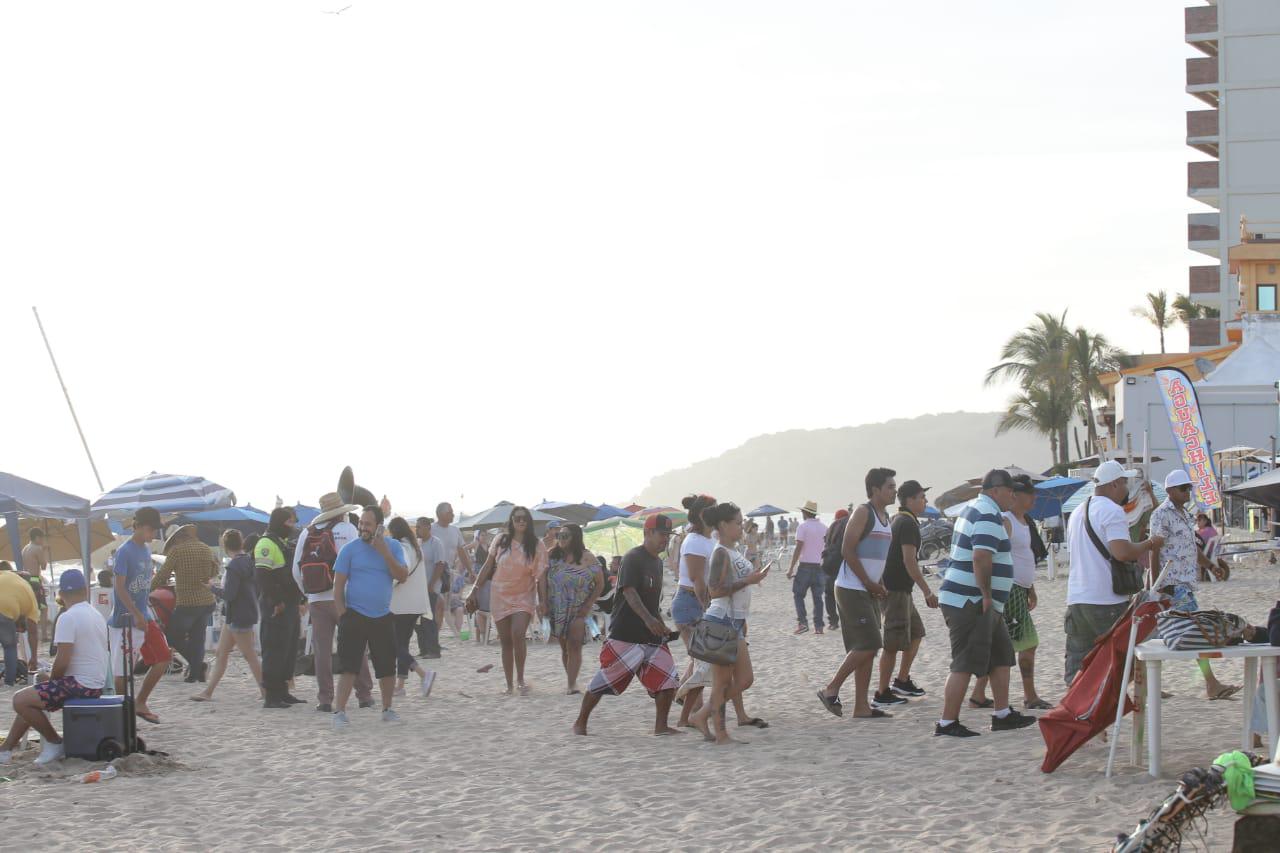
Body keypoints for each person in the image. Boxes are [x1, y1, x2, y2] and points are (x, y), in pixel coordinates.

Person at [933, 469, 1037, 738]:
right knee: (965, 662)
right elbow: (981, 557)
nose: (1013, 497)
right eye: (1010, 491)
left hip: (979, 600)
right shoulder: (988, 513)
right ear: (995, 491)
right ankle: (947, 722)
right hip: (971, 600)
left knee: (1001, 655)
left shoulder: (977, 509)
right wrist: (987, 594)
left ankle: (1002, 714)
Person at [572, 514, 682, 736]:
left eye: (668, 536)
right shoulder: (633, 558)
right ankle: (580, 722)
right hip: (626, 634)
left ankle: (660, 726)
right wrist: (649, 620)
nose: (665, 540)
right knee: (604, 680)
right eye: (662, 535)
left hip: (650, 636)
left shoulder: (657, 563)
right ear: (647, 533)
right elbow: (629, 592)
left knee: (668, 679)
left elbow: (653, 602)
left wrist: (660, 624)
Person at [1064, 460, 1162, 685]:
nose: (1127, 490)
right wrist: (1150, 543)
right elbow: (1122, 552)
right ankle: (1115, 707)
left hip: (1077, 598)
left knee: (1079, 667)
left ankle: (1077, 713)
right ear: (1115, 484)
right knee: (1119, 662)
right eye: (1125, 483)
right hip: (1105, 599)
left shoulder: (1078, 512)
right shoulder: (1111, 510)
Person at [0, 569, 108, 766]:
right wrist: (49, 679)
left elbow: (63, 660)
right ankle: (5, 749)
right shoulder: (95, 614)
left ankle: (54, 742)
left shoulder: (68, 617)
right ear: (85, 590)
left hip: (80, 684)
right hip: (95, 682)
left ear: (61, 594)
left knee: (20, 701)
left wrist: (52, 679)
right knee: (32, 693)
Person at [1150, 468, 1240, 700]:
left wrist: (1210, 566)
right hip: (1172, 584)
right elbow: (1154, 549)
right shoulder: (1161, 514)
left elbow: (1191, 548)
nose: (1188, 492)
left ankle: (1147, 684)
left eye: (1189, 488)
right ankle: (1211, 684)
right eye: (1183, 488)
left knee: (1154, 636)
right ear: (1169, 491)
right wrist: (1156, 584)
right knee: (1195, 631)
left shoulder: (1184, 514)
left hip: (1185, 584)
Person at [817, 469, 897, 720]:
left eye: (895, 486)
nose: (894, 490)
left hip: (870, 589)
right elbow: (847, 550)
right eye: (890, 486)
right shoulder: (864, 512)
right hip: (852, 588)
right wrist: (867, 582)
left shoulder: (885, 516)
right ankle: (831, 689)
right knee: (870, 643)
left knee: (869, 648)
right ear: (875, 489)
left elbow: (876, 556)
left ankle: (861, 706)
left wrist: (879, 583)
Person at [689, 503, 769, 744]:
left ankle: (702, 716)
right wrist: (749, 580)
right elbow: (715, 591)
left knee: (745, 679)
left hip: (734, 621)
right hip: (722, 620)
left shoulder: (732, 551)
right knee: (722, 682)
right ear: (723, 525)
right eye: (737, 522)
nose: (741, 526)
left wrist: (750, 579)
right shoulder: (721, 552)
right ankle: (721, 733)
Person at [969, 475, 1051, 709]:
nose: (1033, 497)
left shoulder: (1025, 521)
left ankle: (978, 693)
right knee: (1026, 643)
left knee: (1000, 643)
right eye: (1029, 493)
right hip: (1010, 588)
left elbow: (1025, 558)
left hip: (1020, 588)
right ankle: (1030, 696)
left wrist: (1031, 589)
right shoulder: (1006, 520)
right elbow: (993, 555)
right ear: (1015, 495)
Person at [294, 494, 375, 712]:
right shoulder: (348, 530)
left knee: (321, 650)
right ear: (341, 511)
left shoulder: (306, 533)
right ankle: (364, 695)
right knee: (354, 646)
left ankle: (325, 699)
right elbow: (359, 562)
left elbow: (296, 570)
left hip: (316, 599)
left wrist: (310, 592)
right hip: (344, 598)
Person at [331, 505, 409, 730]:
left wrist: (384, 552)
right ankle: (340, 712)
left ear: (378, 527)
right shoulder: (349, 550)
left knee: (386, 666)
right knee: (349, 666)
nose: (362, 528)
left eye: (367, 524)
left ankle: (387, 710)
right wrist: (342, 614)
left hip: (382, 615)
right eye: (361, 524)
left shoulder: (393, 547)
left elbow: (402, 576)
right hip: (354, 614)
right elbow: (338, 586)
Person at [467, 507, 547, 695]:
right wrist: (474, 590)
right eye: (517, 518)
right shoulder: (501, 540)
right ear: (511, 520)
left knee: (518, 633)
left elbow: (541, 575)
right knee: (506, 642)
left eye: (524, 518)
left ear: (529, 522)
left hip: (524, 596)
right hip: (500, 595)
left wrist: (542, 600)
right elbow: (488, 566)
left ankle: (520, 680)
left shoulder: (536, 545)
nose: (521, 521)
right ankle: (509, 685)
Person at [874, 480, 938, 708]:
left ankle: (901, 680)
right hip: (896, 590)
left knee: (917, 632)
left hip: (898, 589)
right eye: (922, 497)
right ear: (910, 500)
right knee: (892, 644)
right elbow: (909, 561)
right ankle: (882, 693)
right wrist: (927, 591)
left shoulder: (898, 520)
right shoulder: (907, 524)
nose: (925, 501)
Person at [110, 507, 167, 724]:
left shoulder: (145, 550)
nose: (153, 534)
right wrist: (135, 613)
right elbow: (120, 588)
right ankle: (123, 714)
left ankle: (140, 702)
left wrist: (146, 612)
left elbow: (143, 586)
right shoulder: (124, 551)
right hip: (125, 618)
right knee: (122, 671)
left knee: (163, 657)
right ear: (140, 526)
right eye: (151, 530)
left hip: (145, 615)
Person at [193, 529, 263, 702]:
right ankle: (208, 692)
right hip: (242, 613)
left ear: (225, 546)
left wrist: (211, 588)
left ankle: (266, 691)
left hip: (237, 614)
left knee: (249, 655)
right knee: (221, 654)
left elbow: (229, 594)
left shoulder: (233, 566)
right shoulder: (248, 561)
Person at [539, 523, 603, 694]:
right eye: (559, 535)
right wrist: (543, 602)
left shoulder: (588, 557)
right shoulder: (551, 556)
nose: (561, 539)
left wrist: (588, 605)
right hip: (557, 607)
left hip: (579, 608)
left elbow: (600, 583)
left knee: (574, 644)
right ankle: (571, 680)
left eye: (565, 535)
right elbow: (542, 580)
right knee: (564, 647)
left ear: (575, 537)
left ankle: (571, 685)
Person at [152, 524, 220, 682]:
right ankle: (195, 673)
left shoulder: (177, 551)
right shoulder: (205, 548)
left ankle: (198, 666)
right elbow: (215, 571)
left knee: (172, 636)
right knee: (198, 638)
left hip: (188, 602)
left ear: (178, 538)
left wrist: (147, 590)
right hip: (207, 600)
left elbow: (163, 575)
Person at [672, 494, 717, 727]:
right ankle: (691, 711)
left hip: (698, 601)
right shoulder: (695, 541)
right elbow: (697, 580)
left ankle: (686, 700)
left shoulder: (709, 539)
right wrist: (708, 609)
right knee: (700, 659)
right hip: (691, 603)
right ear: (704, 515)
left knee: (698, 658)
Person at [256, 507, 304, 709]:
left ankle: (283, 691)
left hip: (290, 603)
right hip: (276, 605)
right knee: (274, 650)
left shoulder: (282, 542)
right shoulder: (265, 544)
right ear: (280, 521)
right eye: (290, 522)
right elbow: (263, 577)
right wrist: (276, 602)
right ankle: (272, 696)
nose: (292, 526)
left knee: (289, 649)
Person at [388, 516, 435, 698]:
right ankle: (399, 686)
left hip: (401, 605)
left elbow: (402, 571)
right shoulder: (416, 547)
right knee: (403, 644)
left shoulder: (403, 547)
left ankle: (423, 674)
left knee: (394, 645)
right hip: (415, 604)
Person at [787, 500, 828, 635]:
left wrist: (791, 568)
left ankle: (803, 623)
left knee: (798, 595)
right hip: (819, 566)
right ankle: (819, 626)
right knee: (818, 598)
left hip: (805, 566)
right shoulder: (824, 527)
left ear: (805, 513)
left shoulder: (803, 527)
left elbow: (799, 547)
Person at [433, 502, 473, 639]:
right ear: (441, 514)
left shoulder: (455, 530)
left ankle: (436, 639)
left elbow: (462, 553)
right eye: (450, 512)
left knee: (444, 607)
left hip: (447, 574)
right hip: (433, 573)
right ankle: (438, 638)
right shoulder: (431, 530)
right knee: (436, 606)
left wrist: (471, 571)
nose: (453, 514)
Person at [0, 560, 39, 686]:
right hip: (5, 607)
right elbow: (33, 632)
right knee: (10, 647)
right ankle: (9, 682)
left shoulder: (6, 575)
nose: (19, 630)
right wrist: (34, 657)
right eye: (21, 628)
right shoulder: (32, 603)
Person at [413, 516, 445, 658]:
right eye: (417, 526)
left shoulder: (435, 543)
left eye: (419, 526)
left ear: (428, 527)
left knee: (428, 618)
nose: (417, 529)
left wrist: (431, 584)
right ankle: (424, 649)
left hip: (431, 587)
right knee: (417, 620)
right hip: (418, 588)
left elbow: (440, 564)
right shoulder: (418, 544)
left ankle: (433, 650)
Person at [822, 508, 850, 630]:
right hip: (842, 565)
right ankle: (845, 620)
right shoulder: (847, 527)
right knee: (843, 595)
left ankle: (833, 621)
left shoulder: (831, 529)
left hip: (829, 565)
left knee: (829, 594)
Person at [20, 529, 49, 632]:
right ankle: (44, 634)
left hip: (25, 579)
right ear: (37, 537)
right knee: (43, 608)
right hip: (35, 580)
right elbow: (44, 566)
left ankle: (31, 632)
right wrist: (44, 551)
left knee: (31, 608)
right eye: (41, 538)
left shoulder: (25, 548)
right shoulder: (37, 548)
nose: (42, 540)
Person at [469, 528, 494, 644]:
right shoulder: (476, 544)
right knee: (479, 605)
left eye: (485, 535)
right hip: (479, 573)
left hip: (488, 576)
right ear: (478, 536)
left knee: (485, 606)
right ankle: (479, 637)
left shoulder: (489, 545)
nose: (484, 537)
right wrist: (472, 563)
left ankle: (483, 636)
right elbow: (462, 549)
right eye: (482, 535)